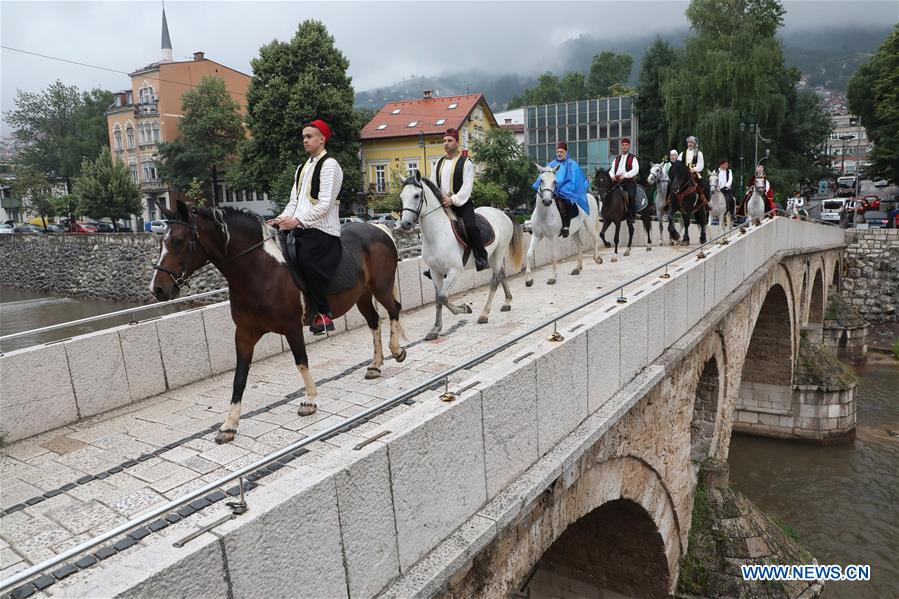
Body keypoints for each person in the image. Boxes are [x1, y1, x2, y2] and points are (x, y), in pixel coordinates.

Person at [267, 119, 343, 335]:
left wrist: (298, 221)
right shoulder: (302, 168)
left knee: (307, 259)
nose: (305, 141)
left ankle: (324, 313)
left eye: (309, 136)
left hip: (322, 231)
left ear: (322, 138)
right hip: (299, 227)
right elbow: (294, 202)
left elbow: (326, 204)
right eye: (303, 137)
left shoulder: (330, 165)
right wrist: (280, 219)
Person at [435, 128, 488, 271]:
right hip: (443, 205)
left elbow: (466, 188)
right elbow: (434, 184)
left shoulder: (466, 163)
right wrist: (440, 199)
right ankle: (434, 263)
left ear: (457, 143)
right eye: (444, 141)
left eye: (449, 141)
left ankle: (481, 257)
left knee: (471, 227)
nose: (446, 144)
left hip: (462, 204)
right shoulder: (438, 163)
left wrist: (452, 200)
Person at [532, 141, 590, 237]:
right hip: (552, 190)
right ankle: (534, 222)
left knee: (567, 202)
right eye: (558, 151)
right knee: (536, 198)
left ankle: (566, 226)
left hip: (567, 191)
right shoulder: (552, 164)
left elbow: (574, 180)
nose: (559, 153)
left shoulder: (572, 164)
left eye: (561, 152)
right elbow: (544, 176)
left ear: (566, 152)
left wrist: (563, 189)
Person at [608, 137, 640, 219]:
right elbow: (611, 170)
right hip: (616, 181)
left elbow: (636, 170)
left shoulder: (633, 158)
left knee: (631, 196)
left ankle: (631, 216)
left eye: (626, 145)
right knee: (607, 193)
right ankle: (606, 213)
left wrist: (625, 175)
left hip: (628, 182)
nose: (624, 147)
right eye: (623, 145)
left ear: (629, 146)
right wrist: (612, 176)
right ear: (621, 146)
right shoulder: (617, 158)